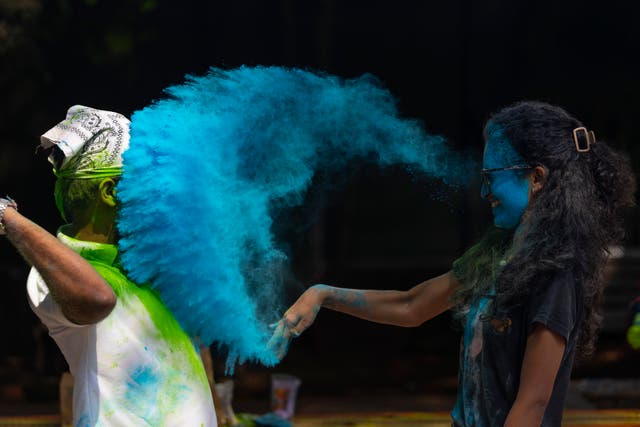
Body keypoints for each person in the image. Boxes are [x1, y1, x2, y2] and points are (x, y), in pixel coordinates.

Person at [270, 101, 636, 426]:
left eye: (492, 177)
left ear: (536, 178)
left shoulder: (556, 274)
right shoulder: (496, 255)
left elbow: (532, 404)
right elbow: (412, 305)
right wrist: (322, 295)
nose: (483, 193)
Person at [1, 105, 217, 426]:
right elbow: (97, 300)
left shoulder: (146, 259)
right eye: (142, 181)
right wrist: (9, 218)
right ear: (110, 191)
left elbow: (197, 345)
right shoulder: (52, 277)